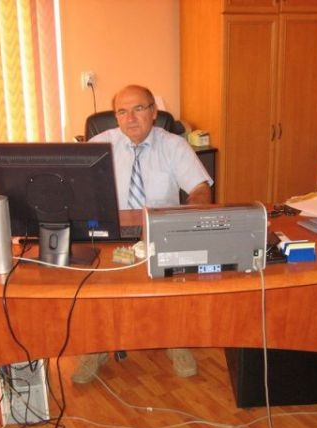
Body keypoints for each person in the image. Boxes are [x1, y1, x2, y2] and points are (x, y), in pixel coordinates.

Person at [71, 84, 213, 384]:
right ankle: (97, 347)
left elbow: (200, 188)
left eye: (138, 109)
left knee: (174, 279)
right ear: (116, 117)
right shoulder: (99, 145)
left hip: (161, 232)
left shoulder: (173, 145)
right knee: (93, 281)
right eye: (122, 111)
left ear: (154, 112)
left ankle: (176, 340)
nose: (130, 118)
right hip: (112, 234)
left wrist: (190, 217)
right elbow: (77, 191)